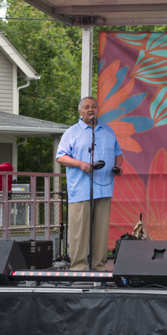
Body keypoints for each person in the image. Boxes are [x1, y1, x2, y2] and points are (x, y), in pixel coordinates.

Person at [56, 96, 123, 271]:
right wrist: (80, 164)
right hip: (81, 189)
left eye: (94, 106)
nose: (90, 109)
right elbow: (61, 156)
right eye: (86, 107)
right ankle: (78, 268)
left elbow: (118, 152)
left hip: (104, 187)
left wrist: (118, 166)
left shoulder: (108, 130)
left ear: (98, 109)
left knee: (101, 232)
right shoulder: (72, 132)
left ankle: (99, 266)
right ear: (80, 111)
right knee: (79, 232)